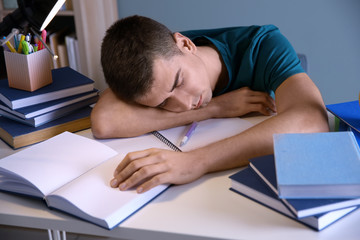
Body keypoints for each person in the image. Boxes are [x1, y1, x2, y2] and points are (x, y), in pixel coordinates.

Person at [91, 15, 329, 193]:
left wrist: (196, 161)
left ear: (186, 45)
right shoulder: (152, 58)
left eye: (179, 81)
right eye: (163, 103)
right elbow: (104, 121)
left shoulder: (264, 45)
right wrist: (216, 108)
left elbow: (312, 121)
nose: (184, 104)